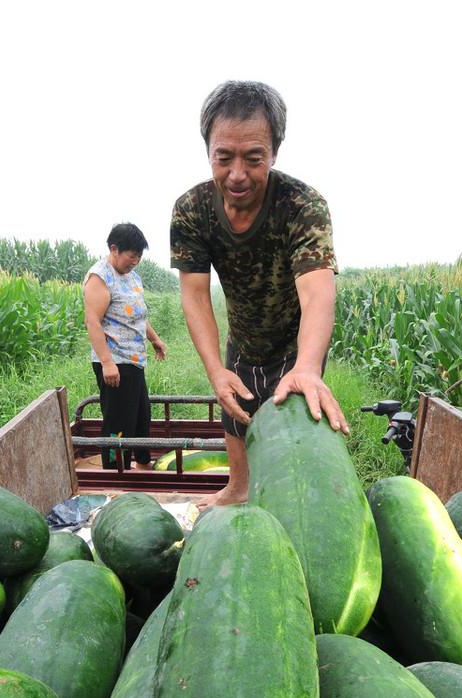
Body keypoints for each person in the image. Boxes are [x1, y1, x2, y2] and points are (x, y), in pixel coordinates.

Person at [171, 80, 349, 506]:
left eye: (253, 159)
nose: (237, 174)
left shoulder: (302, 205)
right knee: (236, 413)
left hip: (295, 338)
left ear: (274, 152)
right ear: (207, 150)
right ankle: (238, 488)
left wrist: (307, 365)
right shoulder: (191, 210)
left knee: (294, 424)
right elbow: (195, 295)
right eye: (223, 157)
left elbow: (317, 291)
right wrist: (215, 368)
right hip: (244, 335)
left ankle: (296, 504)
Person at [83, 222, 167, 469]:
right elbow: (93, 322)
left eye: (139, 256)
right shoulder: (100, 277)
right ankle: (113, 469)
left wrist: (154, 339)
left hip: (134, 360)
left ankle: (142, 463)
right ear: (114, 249)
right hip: (115, 362)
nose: (136, 261)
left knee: (141, 416)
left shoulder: (131, 276)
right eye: (132, 255)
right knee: (117, 422)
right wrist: (108, 363)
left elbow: (136, 314)